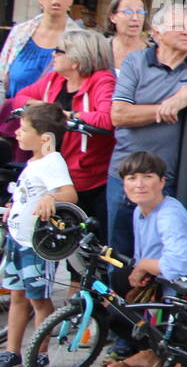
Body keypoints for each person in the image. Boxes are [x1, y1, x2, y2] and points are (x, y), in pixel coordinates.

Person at [108, 4, 187, 257]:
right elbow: (119, 114)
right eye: (180, 25)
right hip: (126, 173)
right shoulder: (136, 61)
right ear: (156, 32)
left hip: (170, 179)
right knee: (119, 254)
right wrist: (165, 109)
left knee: (165, 256)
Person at [103, 150, 187, 367]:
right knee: (116, 299)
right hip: (167, 287)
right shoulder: (140, 210)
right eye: (131, 178)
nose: (139, 184)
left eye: (147, 177)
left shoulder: (169, 214)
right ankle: (152, 354)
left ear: (162, 182)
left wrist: (144, 266)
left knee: (128, 300)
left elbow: (179, 265)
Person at [13, 30, 116, 234]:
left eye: (59, 51)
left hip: (88, 177)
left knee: (86, 240)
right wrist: (45, 108)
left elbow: (107, 118)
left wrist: (67, 115)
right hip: (55, 172)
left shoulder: (103, 81)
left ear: (76, 60)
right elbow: (20, 97)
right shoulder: (55, 80)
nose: (53, 55)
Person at [0, 102, 77, 367]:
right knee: (17, 296)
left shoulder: (52, 162)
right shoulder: (33, 162)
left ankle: (39, 353)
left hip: (35, 246)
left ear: (44, 138)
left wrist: (50, 197)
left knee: (39, 301)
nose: (17, 134)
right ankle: (12, 352)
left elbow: (69, 193)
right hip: (16, 241)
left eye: (23, 129)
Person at [1, 0, 84, 99]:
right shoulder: (19, 33)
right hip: (12, 115)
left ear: (70, 1)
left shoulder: (81, 41)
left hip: (54, 117)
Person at [106, 0, 150, 74]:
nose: (135, 18)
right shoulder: (101, 51)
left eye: (140, 12)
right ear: (112, 17)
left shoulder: (153, 55)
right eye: (127, 12)